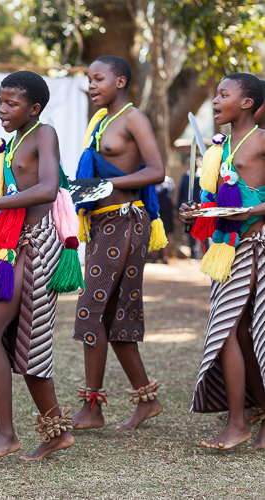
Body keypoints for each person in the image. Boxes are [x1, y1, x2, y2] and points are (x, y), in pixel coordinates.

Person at [0, 71, 80, 460]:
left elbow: (47, 188)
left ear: (34, 108)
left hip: (38, 242)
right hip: (16, 244)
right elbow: (5, 197)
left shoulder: (44, 134)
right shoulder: (13, 144)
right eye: (0, 102)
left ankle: (6, 434)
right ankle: (56, 431)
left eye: (11, 103)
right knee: (18, 335)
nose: (2, 109)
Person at [71, 55, 166, 431]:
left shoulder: (132, 118)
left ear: (121, 81)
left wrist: (108, 186)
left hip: (126, 219)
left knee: (89, 309)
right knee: (110, 314)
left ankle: (92, 408)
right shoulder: (102, 121)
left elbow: (156, 170)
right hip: (101, 222)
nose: (92, 85)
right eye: (89, 80)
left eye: (99, 79)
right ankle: (146, 398)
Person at [180, 73, 265, 450]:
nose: (215, 101)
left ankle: (237, 424)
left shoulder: (261, 139)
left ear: (247, 103)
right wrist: (195, 212)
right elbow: (214, 201)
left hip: (252, 245)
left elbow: (249, 204)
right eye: (215, 94)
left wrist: (248, 208)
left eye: (223, 94)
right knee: (241, 331)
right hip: (223, 249)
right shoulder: (221, 146)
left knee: (231, 329)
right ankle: (251, 418)